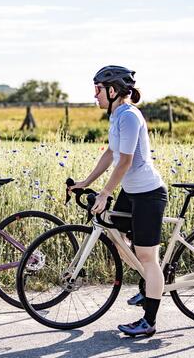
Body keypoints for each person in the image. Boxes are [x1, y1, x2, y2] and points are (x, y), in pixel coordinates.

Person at [69, 65, 168, 337]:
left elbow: (125, 161)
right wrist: (87, 183)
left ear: (112, 91)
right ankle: (148, 285)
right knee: (115, 234)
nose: (95, 95)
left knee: (148, 256)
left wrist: (104, 194)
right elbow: (111, 153)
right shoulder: (116, 116)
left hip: (148, 193)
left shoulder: (129, 116)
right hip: (131, 191)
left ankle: (149, 320)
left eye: (98, 90)